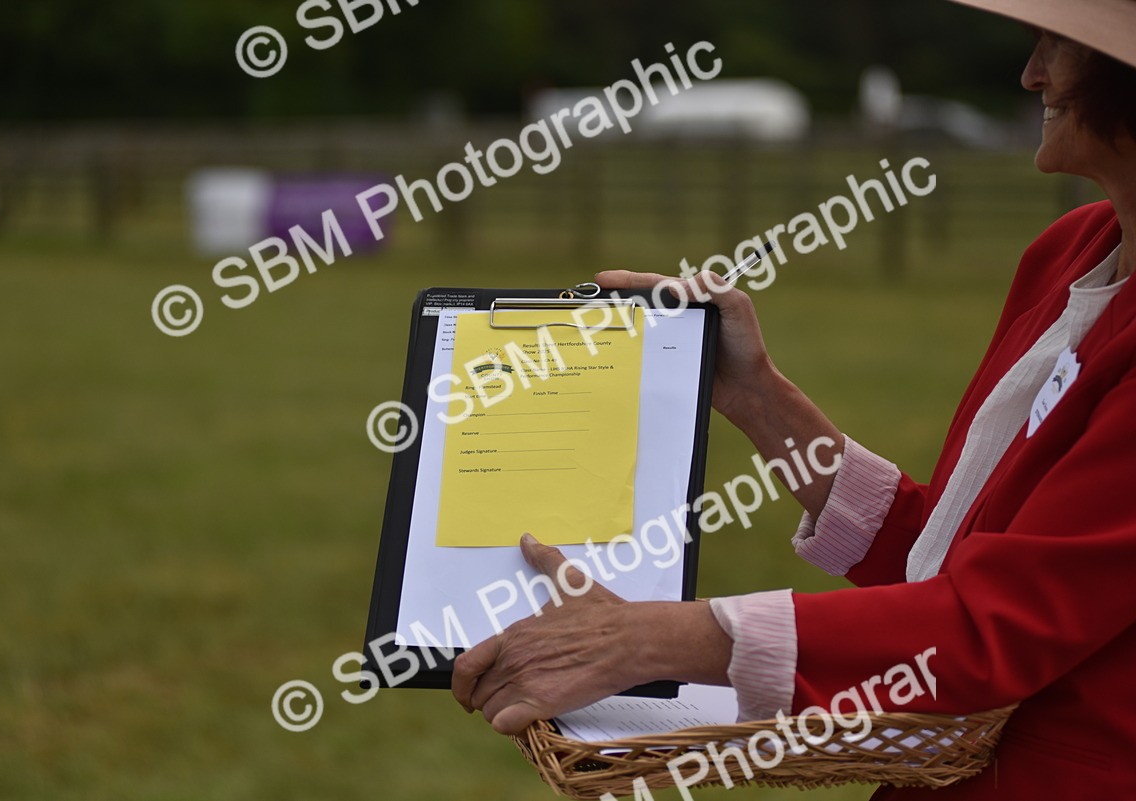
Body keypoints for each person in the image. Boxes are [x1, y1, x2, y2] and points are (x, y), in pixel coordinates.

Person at [451, 0, 1136, 797]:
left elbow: (993, 626)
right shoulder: (1070, 252)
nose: (1032, 73)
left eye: (1061, 45)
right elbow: (941, 565)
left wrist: (654, 639)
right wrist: (757, 396)